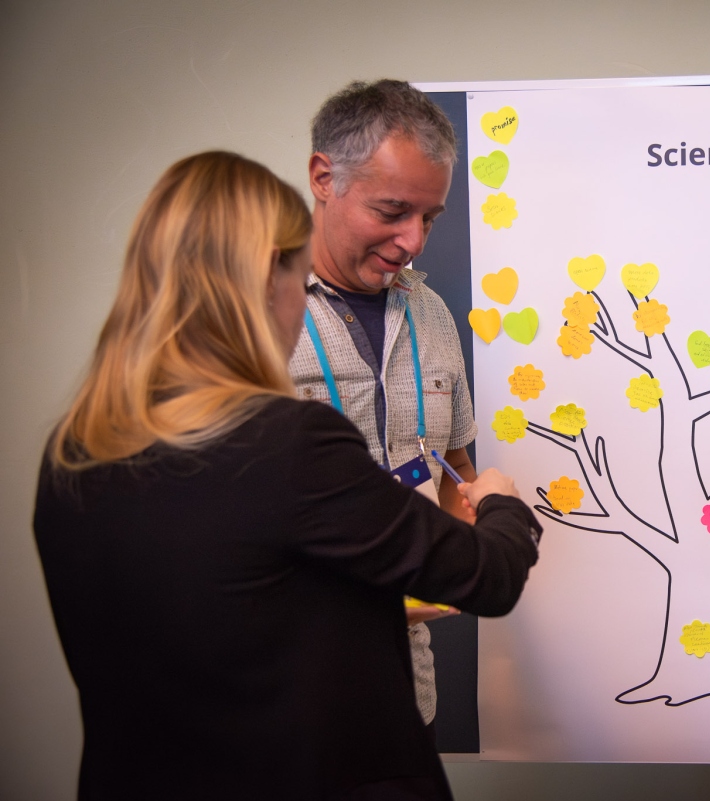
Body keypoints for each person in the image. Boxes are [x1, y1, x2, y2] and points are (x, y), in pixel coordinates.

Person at [33, 151, 541, 800]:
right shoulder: (284, 446)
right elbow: (489, 577)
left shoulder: (73, 454)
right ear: (264, 281)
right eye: (299, 279)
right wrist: (500, 505)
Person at [289, 79, 474, 735]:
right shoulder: (249, 317)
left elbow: (454, 462)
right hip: (287, 699)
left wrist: (460, 555)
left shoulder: (430, 312)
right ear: (323, 176)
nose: (415, 240)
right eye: (392, 210)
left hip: (406, 691)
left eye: (430, 217)